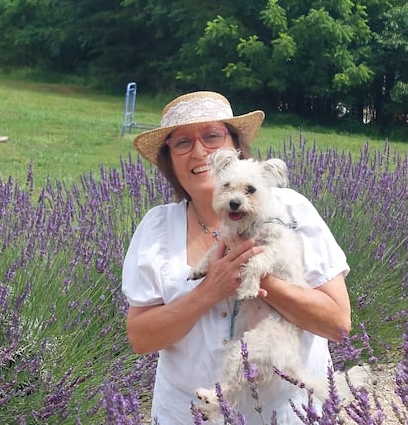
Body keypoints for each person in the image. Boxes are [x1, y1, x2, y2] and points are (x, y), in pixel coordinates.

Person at [122, 91, 351, 424]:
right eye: (182, 143)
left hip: (286, 413)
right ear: (169, 159)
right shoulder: (157, 228)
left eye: (212, 136)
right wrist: (209, 291)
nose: (199, 151)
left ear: (235, 145)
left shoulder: (291, 211)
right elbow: (141, 337)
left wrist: (259, 276)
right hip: (187, 414)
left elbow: (337, 324)